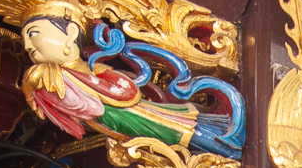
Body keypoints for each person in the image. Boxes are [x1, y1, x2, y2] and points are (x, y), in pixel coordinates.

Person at [18, 10, 242, 157]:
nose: (27, 45)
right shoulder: (48, 78)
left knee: (185, 131)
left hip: (137, 116)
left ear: (70, 33)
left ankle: (226, 142)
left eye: (33, 34)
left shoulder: (79, 72)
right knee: (177, 138)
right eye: (25, 40)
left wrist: (93, 84)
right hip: (120, 126)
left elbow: (127, 92)